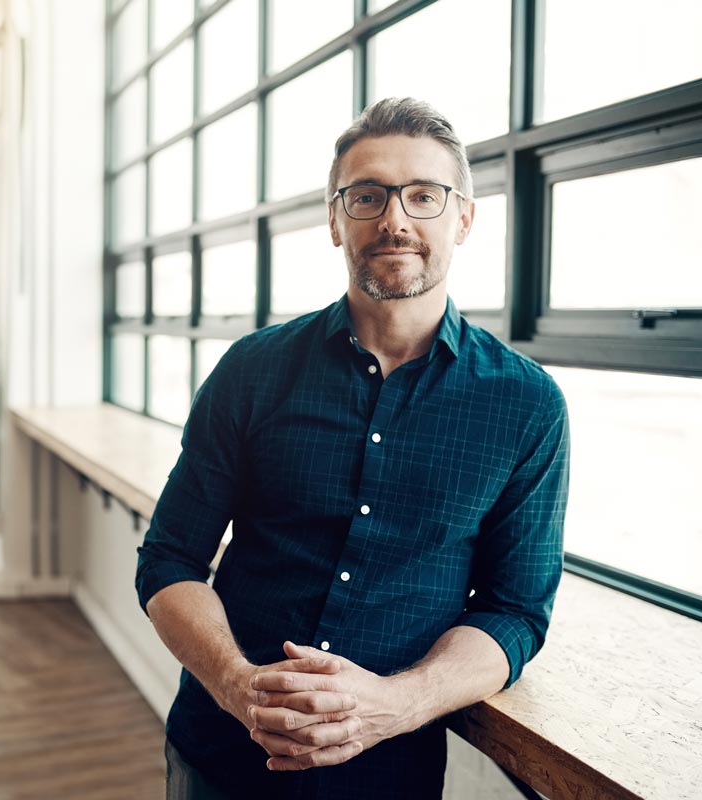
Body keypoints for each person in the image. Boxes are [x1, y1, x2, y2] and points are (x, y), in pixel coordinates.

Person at [136, 97, 569, 800]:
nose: (395, 219)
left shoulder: (527, 405)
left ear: (464, 217)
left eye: (424, 196)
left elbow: (515, 610)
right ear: (336, 221)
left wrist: (395, 704)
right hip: (221, 753)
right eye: (368, 196)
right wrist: (237, 684)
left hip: (386, 775)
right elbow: (169, 558)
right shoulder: (252, 371)